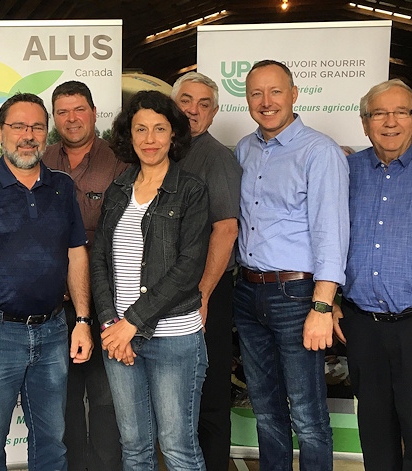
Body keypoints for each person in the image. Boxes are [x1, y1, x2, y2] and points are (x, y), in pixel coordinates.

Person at [0, 92, 93, 471]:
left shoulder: (62, 188)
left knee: (52, 444)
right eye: (19, 126)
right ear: (0, 132)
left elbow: (77, 254)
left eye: (37, 127)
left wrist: (82, 320)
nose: (28, 136)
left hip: (54, 331)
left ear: (47, 133)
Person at [233, 60, 348, 471]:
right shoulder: (244, 149)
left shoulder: (320, 151)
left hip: (297, 296)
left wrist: (322, 305)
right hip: (248, 291)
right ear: (247, 99)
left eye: (275, 91)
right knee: (266, 410)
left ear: (294, 94)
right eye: (256, 93)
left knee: (307, 415)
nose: (266, 102)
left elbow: (332, 233)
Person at [92, 89, 210, 470]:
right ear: (129, 136)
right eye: (140, 129)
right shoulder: (118, 189)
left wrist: (132, 322)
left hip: (173, 339)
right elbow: (99, 261)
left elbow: (188, 269)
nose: (150, 139)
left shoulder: (191, 190)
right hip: (119, 337)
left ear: (173, 134)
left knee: (177, 448)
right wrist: (111, 324)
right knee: (134, 448)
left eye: (159, 128)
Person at [333, 79, 412, 470]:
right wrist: (330, 301)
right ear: (365, 123)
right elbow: (323, 240)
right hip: (362, 328)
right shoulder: (344, 173)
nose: (390, 122)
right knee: (375, 437)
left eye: (401, 112)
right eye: (379, 113)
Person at [42, 80, 126, 471]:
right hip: (54, 303)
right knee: (63, 397)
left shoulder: (120, 161)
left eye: (79, 109)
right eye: (62, 112)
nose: (71, 119)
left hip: (107, 301)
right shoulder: (42, 159)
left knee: (107, 397)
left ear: (94, 113)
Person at [171, 72, 242, 471]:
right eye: (185, 100)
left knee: (210, 393)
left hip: (205, 292)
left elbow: (226, 229)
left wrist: (203, 294)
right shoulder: (163, 150)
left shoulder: (216, 158)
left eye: (203, 104)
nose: (193, 111)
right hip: (169, 292)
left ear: (214, 113)